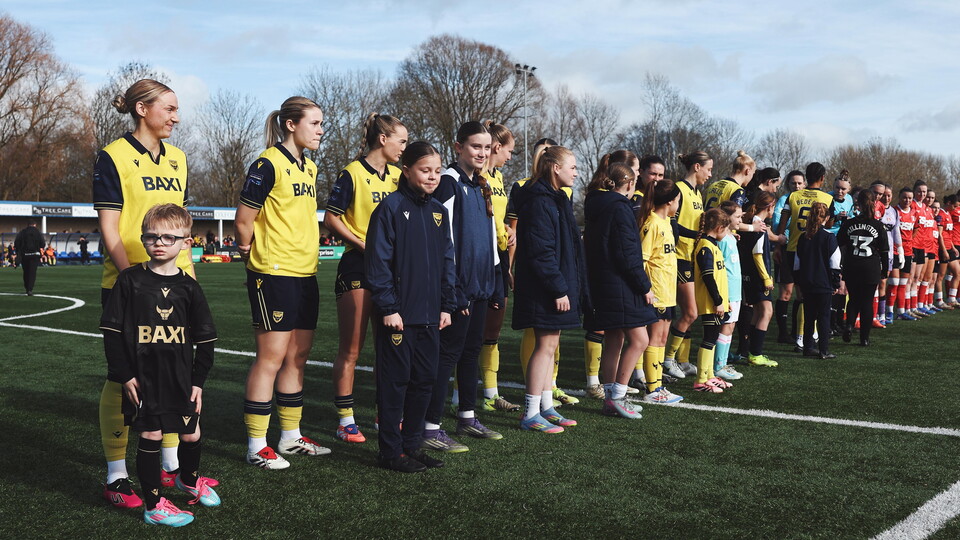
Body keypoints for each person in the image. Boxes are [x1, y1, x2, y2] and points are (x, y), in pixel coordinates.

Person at [93, 79, 208, 508]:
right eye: (170, 108)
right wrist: (134, 282)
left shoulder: (178, 158)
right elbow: (110, 226)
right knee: (122, 377)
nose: (177, 117)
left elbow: (178, 223)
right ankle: (116, 475)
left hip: (179, 285)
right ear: (143, 109)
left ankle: (171, 466)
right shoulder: (113, 156)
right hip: (128, 285)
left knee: (174, 373)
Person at [100, 204, 219, 527]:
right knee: (151, 434)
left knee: (191, 434)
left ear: (185, 242)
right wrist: (125, 374)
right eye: (152, 236)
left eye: (169, 237)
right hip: (143, 377)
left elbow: (206, 339)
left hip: (180, 377)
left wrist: (198, 381)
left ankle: (189, 480)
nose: (160, 242)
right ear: (143, 239)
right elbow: (111, 333)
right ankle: (153, 505)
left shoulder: (189, 287)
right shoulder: (129, 281)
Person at [237, 96, 331, 470]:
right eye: (315, 123)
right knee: (270, 358)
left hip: (306, 273)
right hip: (273, 274)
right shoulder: (267, 164)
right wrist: (251, 253)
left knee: (297, 357)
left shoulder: (310, 167)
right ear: (291, 124)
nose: (321, 130)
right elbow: (244, 219)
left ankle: (290, 437)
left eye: (322, 124)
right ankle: (256, 445)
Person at [365, 142, 455, 473]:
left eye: (436, 170)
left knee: (425, 382)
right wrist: (389, 308)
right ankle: (390, 451)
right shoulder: (390, 208)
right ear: (406, 170)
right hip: (399, 318)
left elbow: (447, 261)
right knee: (395, 384)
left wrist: (447, 304)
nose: (432, 177)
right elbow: (378, 263)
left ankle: (412, 446)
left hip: (431, 316)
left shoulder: (438, 212)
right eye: (424, 170)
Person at [323, 113, 407, 443]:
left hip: (392, 271)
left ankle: (384, 415)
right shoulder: (352, 173)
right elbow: (331, 218)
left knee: (390, 347)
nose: (404, 147)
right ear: (383, 139)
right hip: (358, 266)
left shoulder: (400, 176)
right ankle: (345, 420)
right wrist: (362, 242)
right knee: (352, 349)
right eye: (401, 140)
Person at [421, 121, 501, 453]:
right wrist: (452, 289)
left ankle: (467, 416)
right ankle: (430, 425)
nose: (482, 153)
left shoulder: (481, 184)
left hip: (481, 285)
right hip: (458, 288)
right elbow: (443, 240)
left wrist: (494, 279)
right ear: (458, 147)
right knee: (447, 354)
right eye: (475, 147)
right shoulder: (450, 183)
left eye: (486, 148)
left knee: (471, 352)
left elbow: (489, 241)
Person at [506, 138, 585, 407]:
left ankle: (546, 406)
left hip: (554, 285)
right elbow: (542, 251)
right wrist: (558, 288)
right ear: (554, 168)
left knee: (551, 346)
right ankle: (530, 412)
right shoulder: (540, 201)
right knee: (544, 347)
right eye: (572, 167)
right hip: (545, 289)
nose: (576, 173)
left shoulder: (556, 199)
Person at [584, 162, 656, 419]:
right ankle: (617, 398)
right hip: (620, 284)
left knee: (615, 339)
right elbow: (627, 253)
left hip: (603, 282)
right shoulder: (620, 208)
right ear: (629, 184)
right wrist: (644, 286)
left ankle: (610, 399)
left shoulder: (596, 204)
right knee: (640, 340)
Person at [472, 121, 521, 413]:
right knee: (469, 334)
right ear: (497, 147)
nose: (511, 158)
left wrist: (505, 228)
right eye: (510, 151)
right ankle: (457, 397)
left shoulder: (499, 178)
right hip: (476, 259)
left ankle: (491, 394)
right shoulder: (472, 177)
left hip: (498, 257)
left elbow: (495, 215)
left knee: (493, 331)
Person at [663, 151, 713, 380]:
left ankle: (682, 360)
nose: (710, 174)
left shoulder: (697, 193)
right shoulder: (680, 190)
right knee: (690, 312)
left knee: (689, 312)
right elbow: (673, 224)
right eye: (708, 169)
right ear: (696, 167)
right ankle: (668, 359)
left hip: (692, 257)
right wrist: (696, 234)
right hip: (679, 256)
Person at [774, 163, 835, 351]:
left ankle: (796, 335)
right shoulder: (827, 198)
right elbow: (830, 223)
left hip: (793, 248)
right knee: (810, 297)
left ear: (807, 177)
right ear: (823, 178)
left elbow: (782, 224)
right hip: (815, 251)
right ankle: (805, 337)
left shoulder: (793, 196)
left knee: (796, 295)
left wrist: (777, 246)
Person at [636, 178, 684, 404]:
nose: (678, 206)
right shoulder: (652, 223)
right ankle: (652, 389)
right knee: (654, 339)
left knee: (663, 337)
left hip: (668, 292)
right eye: (678, 201)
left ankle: (658, 385)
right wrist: (646, 289)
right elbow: (642, 260)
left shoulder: (667, 223)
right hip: (656, 292)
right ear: (670, 202)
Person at [838, 190, 889, 346]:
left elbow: (839, 243)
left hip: (852, 264)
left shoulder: (849, 223)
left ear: (857, 204)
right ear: (874, 204)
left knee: (853, 299)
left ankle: (848, 325)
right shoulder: (878, 225)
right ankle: (864, 338)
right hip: (870, 266)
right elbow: (885, 251)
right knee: (867, 302)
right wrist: (885, 270)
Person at [692, 208, 732, 393]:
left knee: (713, 339)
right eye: (726, 229)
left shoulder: (712, 246)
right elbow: (708, 276)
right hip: (710, 304)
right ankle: (701, 380)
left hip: (717, 303)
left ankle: (709, 376)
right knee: (708, 340)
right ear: (718, 227)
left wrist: (726, 300)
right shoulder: (705, 247)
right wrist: (717, 301)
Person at [794, 202, 841, 359]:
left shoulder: (803, 237)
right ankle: (823, 350)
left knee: (809, 317)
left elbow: (796, 264)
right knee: (824, 317)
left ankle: (808, 347)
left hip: (807, 283)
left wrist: (799, 283)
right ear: (827, 218)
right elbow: (835, 263)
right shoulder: (829, 237)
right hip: (824, 284)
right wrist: (835, 283)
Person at [738, 191, 778, 366]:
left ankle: (751, 352)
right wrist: (766, 278)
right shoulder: (759, 226)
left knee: (757, 312)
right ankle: (756, 354)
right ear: (770, 207)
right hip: (756, 276)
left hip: (747, 274)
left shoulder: (750, 222)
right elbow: (758, 254)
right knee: (767, 312)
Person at [714, 201, 745, 380]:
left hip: (735, 290)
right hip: (727, 291)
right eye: (738, 217)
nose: (741, 220)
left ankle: (723, 363)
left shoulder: (731, 236)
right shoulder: (722, 240)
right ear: (726, 218)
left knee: (730, 326)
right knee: (725, 326)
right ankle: (719, 365)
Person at [773, 170, 806, 343]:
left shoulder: (809, 200)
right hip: (787, 249)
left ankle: (796, 331)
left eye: (800, 183)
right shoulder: (784, 200)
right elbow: (777, 222)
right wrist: (780, 244)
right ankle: (782, 332)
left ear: (805, 184)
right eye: (793, 183)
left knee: (801, 293)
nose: (797, 186)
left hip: (804, 251)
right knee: (785, 293)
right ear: (788, 184)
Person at [13, 220, 44, 295]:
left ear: (28, 224)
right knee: (32, 272)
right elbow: (42, 244)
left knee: (26, 272)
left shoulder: (22, 232)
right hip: (34, 255)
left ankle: (26, 287)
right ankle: (30, 289)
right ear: (35, 224)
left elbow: (17, 243)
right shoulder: (38, 232)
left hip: (25, 255)